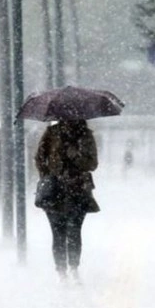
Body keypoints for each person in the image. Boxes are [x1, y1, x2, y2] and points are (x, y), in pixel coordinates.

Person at [35, 119, 99, 280]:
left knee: (74, 231)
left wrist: (76, 156)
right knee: (58, 233)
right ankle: (61, 270)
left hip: (78, 190)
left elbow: (92, 164)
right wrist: (48, 176)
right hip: (55, 191)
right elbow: (39, 158)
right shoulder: (51, 133)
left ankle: (73, 267)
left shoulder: (86, 135)